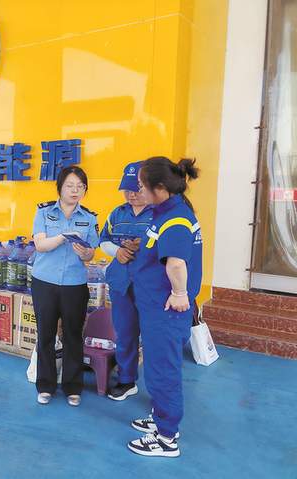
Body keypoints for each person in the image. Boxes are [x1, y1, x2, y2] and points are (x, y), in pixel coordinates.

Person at [126, 157, 202, 458]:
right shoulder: (166, 212)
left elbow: (176, 263)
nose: (138, 191)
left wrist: (181, 293)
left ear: (160, 187)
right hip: (155, 308)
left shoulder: (176, 219)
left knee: (163, 370)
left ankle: (167, 436)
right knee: (158, 367)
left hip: (166, 311)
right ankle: (160, 416)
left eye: (142, 186)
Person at [30, 165, 100, 407]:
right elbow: (40, 245)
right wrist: (63, 237)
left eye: (80, 187)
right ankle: (45, 385)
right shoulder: (43, 212)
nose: (75, 190)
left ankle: (73, 387)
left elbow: (91, 253)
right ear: (60, 188)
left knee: (73, 335)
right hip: (44, 282)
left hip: (74, 284)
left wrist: (85, 253)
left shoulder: (90, 218)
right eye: (70, 185)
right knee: (46, 334)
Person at [99, 162, 153, 401]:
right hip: (121, 283)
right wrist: (117, 251)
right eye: (127, 190)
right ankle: (126, 380)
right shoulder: (117, 213)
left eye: (137, 189)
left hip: (150, 285)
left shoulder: (159, 214)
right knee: (125, 333)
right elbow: (104, 240)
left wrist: (144, 247)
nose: (131, 194)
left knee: (153, 336)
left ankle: (158, 388)